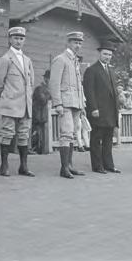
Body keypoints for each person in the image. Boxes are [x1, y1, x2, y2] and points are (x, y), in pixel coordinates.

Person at [0, 27, 34, 176]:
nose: (19, 41)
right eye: (15, 38)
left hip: (25, 105)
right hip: (10, 103)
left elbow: (31, 83)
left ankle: (23, 166)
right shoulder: (5, 59)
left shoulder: (27, 60)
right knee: (7, 133)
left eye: (21, 38)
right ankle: (4, 165)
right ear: (10, 39)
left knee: (24, 135)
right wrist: (6, 97)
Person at [50, 32, 87, 178]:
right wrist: (57, 103)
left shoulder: (75, 61)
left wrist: (82, 104)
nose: (78, 45)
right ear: (68, 43)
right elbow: (54, 83)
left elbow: (79, 85)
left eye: (80, 42)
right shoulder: (61, 59)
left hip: (75, 103)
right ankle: (64, 168)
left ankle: (70, 166)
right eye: (75, 42)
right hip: (65, 103)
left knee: (72, 135)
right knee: (66, 134)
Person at [83, 41, 121, 174]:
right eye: (105, 54)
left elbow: (113, 91)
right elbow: (89, 91)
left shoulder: (111, 70)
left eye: (110, 55)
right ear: (99, 53)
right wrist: (93, 108)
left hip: (111, 111)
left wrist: (118, 108)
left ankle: (109, 165)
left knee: (108, 139)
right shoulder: (91, 70)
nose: (107, 56)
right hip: (98, 111)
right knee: (96, 139)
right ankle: (97, 166)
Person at [31, 70, 51, 154]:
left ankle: (40, 148)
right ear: (46, 79)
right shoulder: (40, 88)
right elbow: (42, 99)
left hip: (42, 115)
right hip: (38, 114)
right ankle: (34, 148)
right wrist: (49, 95)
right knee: (37, 132)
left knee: (41, 133)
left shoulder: (46, 88)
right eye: (49, 79)